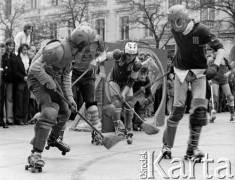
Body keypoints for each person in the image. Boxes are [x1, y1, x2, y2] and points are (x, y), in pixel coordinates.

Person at [26, 24, 96, 170]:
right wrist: (48, 80)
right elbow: (34, 68)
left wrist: (70, 98)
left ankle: (53, 139)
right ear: (83, 43)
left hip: (51, 78)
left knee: (66, 111)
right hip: (37, 79)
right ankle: (35, 154)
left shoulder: (74, 53)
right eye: (89, 44)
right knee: (51, 111)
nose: (89, 48)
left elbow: (65, 77)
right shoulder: (58, 49)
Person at [162, 5, 225, 160]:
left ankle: (192, 149)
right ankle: (166, 146)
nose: (171, 25)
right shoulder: (175, 31)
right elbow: (182, 48)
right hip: (181, 71)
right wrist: (174, 65)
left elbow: (221, 49)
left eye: (173, 21)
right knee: (177, 110)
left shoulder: (201, 31)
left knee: (199, 110)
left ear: (182, 20)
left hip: (199, 72)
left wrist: (215, 66)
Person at [71, 27, 106, 144]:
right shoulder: (76, 41)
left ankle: (97, 132)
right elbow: (71, 58)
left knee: (92, 104)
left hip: (88, 75)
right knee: (66, 105)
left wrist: (96, 60)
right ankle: (57, 135)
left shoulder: (98, 40)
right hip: (73, 74)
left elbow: (104, 54)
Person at [105, 42, 142, 137]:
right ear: (125, 52)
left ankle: (128, 127)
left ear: (136, 54)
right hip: (115, 81)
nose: (130, 57)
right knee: (116, 102)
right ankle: (118, 128)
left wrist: (124, 92)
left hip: (126, 83)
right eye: (128, 54)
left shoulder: (137, 64)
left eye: (133, 55)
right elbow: (105, 56)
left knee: (129, 104)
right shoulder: (118, 55)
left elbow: (131, 81)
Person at [208, 52, 235, 122]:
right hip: (214, 80)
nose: (215, 53)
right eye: (214, 52)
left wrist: (228, 73)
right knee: (214, 98)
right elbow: (207, 70)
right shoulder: (211, 60)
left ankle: (232, 115)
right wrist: (209, 79)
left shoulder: (225, 60)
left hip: (224, 80)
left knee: (230, 97)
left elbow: (232, 69)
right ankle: (212, 115)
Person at [132, 66, 154, 131]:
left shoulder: (147, 80)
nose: (143, 76)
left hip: (140, 97)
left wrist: (149, 98)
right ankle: (133, 123)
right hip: (131, 96)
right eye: (141, 74)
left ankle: (139, 122)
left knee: (145, 102)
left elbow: (149, 92)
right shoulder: (133, 78)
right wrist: (138, 88)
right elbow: (129, 88)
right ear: (138, 73)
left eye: (145, 74)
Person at [1, 38, 18, 126]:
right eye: (9, 45)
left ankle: (10, 118)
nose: (11, 47)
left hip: (11, 81)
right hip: (3, 79)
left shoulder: (14, 56)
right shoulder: (3, 56)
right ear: (6, 45)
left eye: (12, 46)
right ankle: (3, 118)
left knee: (9, 99)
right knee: (2, 99)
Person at [14, 43, 30, 125]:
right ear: (21, 49)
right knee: (19, 100)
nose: (26, 51)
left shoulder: (28, 58)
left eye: (27, 49)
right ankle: (18, 119)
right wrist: (23, 77)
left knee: (25, 100)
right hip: (20, 81)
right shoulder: (17, 58)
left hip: (27, 81)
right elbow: (15, 71)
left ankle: (24, 119)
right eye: (24, 49)